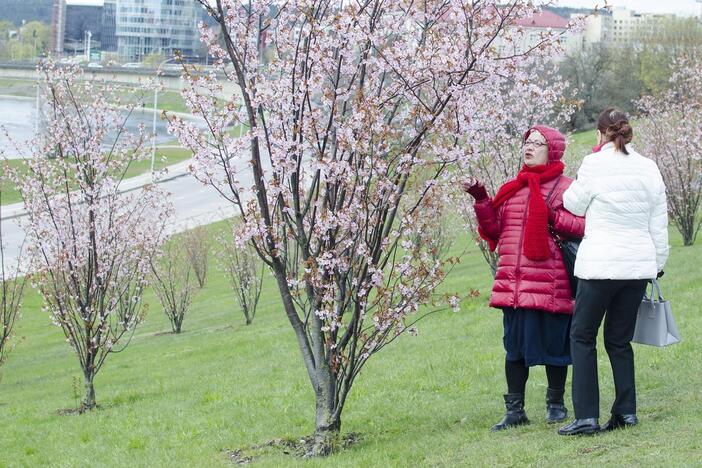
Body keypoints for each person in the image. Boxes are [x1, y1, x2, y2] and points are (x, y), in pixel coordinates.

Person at [463, 126, 585, 431]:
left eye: (537, 144)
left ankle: (556, 404)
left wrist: (553, 217)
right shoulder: (511, 189)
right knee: (514, 349)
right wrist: (481, 199)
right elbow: (494, 231)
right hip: (514, 284)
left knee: (556, 349)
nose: (528, 148)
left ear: (553, 150)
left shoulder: (567, 188)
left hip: (551, 282)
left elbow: (582, 226)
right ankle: (515, 410)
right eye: (527, 143)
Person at [558, 108, 669, 436]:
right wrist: (657, 264)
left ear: (600, 133)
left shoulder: (594, 164)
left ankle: (587, 416)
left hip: (601, 266)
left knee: (582, 335)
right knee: (619, 341)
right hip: (636, 266)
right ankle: (626, 412)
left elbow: (572, 204)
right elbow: (658, 222)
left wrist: (591, 159)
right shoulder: (648, 167)